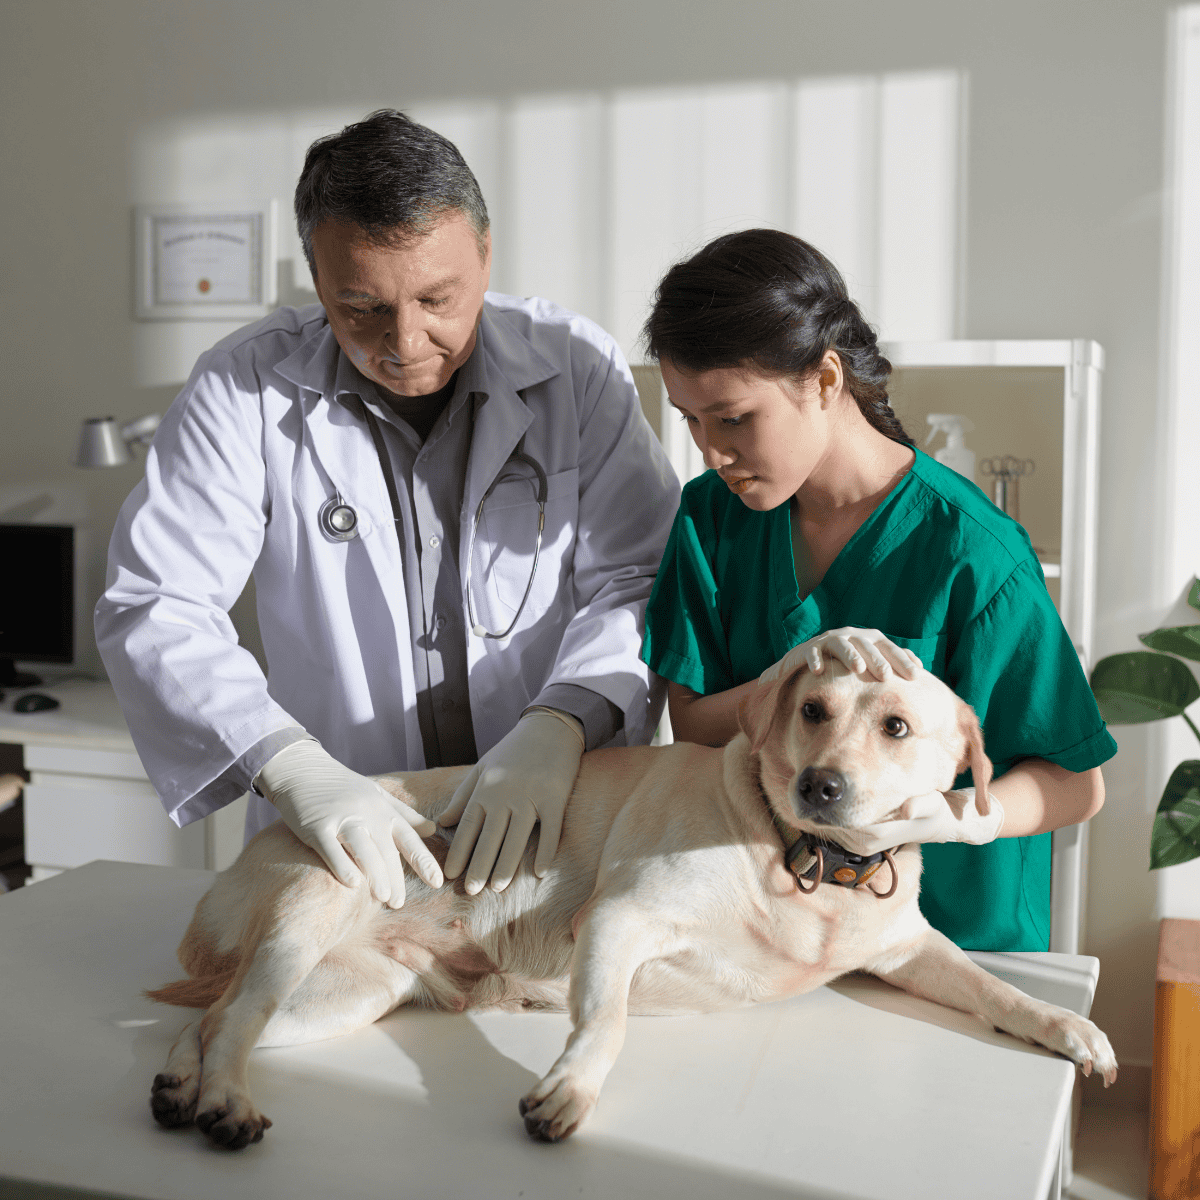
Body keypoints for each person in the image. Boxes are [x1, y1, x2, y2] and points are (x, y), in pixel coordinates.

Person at [97, 110, 678, 908]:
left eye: (439, 299)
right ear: (317, 278)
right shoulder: (243, 387)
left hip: (552, 813)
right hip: (348, 832)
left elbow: (639, 576)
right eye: (361, 308)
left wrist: (561, 725)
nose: (406, 342)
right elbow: (158, 605)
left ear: (484, 254)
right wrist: (292, 767)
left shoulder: (574, 366)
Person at [639, 228, 1116, 952]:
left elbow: (1079, 785)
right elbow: (696, 725)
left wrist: (953, 815)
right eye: (691, 421)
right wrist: (787, 676)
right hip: (775, 925)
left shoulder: (975, 555)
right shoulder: (711, 518)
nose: (713, 452)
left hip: (954, 940)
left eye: (734, 419)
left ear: (826, 380)